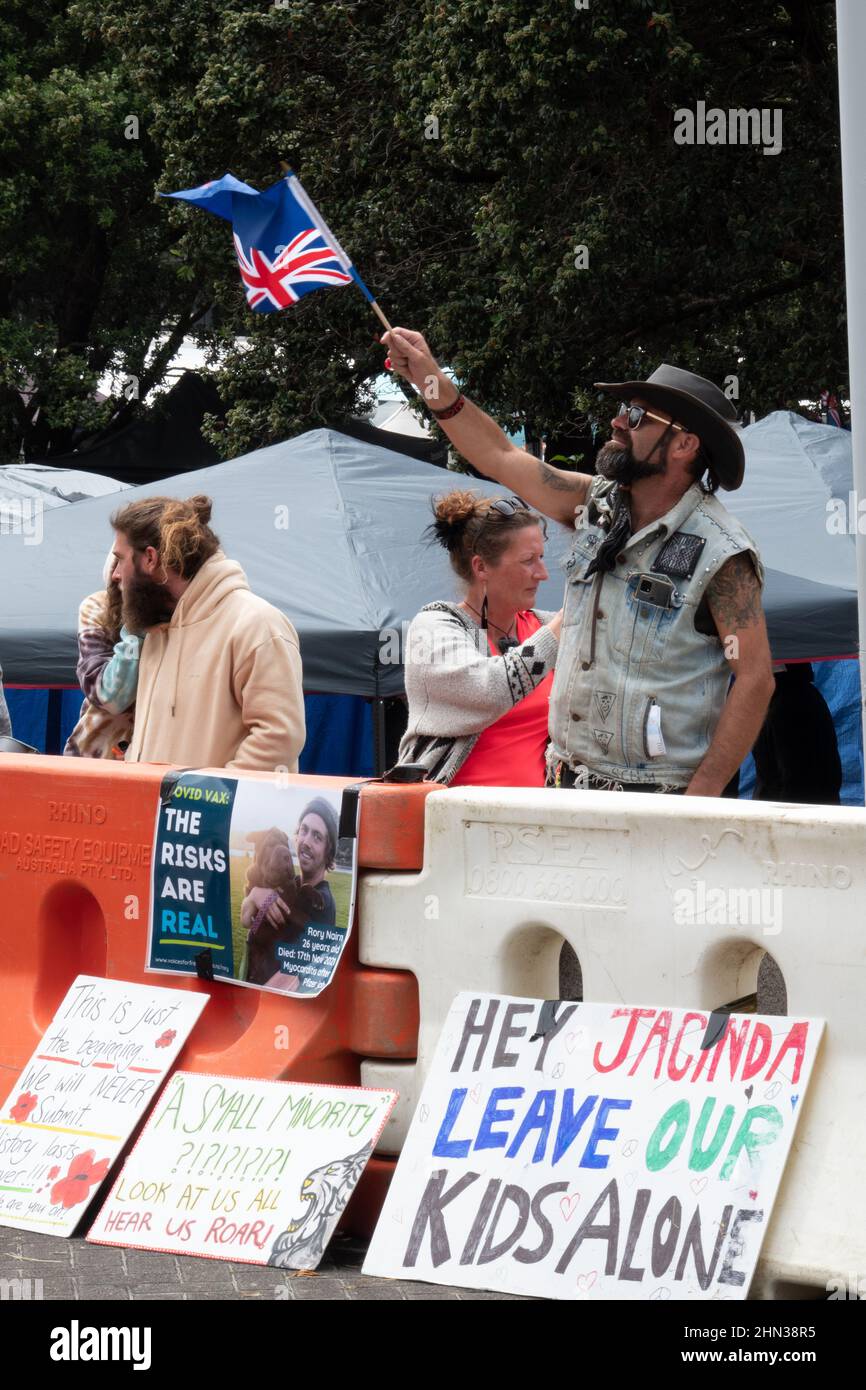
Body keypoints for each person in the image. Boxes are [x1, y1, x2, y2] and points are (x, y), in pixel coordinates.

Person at [383, 331, 775, 794]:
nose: (616, 422)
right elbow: (500, 455)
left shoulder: (722, 551)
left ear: (684, 445)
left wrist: (698, 803)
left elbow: (754, 679)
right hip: (564, 782)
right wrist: (431, 379)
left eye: (635, 415)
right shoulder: (595, 505)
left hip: (660, 796)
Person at [110, 494, 305, 771]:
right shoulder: (156, 632)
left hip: (221, 814)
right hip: (152, 813)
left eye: (120, 559)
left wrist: (206, 802)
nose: (116, 574)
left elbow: (278, 740)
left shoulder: (257, 624)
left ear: (150, 558)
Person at [398, 490, 562, 785]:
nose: (543, 573)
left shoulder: (543, 627)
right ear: (481, 567)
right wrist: (566, 624)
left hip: (533, 823)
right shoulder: (434, 626)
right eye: (528, 561)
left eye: (541, 558)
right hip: (452, 820)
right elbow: (490, 691)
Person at [242, 797, 341, 993]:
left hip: (276, 1005)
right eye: (304, 830)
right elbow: (245, 920)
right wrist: (254, 894)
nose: (306, 842)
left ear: (328, 851)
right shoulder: (291, 885)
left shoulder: (323, 903)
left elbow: (289, 976)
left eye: (317, 837)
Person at [64, 555, 140, 759]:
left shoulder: (186, 617)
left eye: (124, 563)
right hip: (96, 757)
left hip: (155, 758)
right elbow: (110, 697)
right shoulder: (98, 606)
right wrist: (137, 628)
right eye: (115, 562)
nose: (116, 574)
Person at [753, 662, 843, 804]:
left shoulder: (787, 703)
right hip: (813, 810)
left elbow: (795, 779)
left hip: (793, 814)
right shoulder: (806, 695)